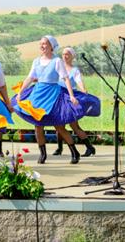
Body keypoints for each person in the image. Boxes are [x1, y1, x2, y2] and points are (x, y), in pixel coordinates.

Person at [12, 35, 83, 164]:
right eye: (41, 43)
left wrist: (72, 95)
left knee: (59, 126)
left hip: (52, 94)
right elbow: (29, 77)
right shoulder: (36, 61)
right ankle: (43, 154)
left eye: (45, 43)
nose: (42, 46)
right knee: (38, 125)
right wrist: (20, 92)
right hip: (38, 94)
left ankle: (74, 151)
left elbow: (65, 78)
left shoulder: (57, 61)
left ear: (51, 46)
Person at [51, 47, 99, 157]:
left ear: (72, 56)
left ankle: (89, 147)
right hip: (58, 97)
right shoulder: (58, 67)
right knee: (59, 123)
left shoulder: (74, 70)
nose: (65, 56)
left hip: (69, 98)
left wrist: (83, 90)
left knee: (74, 126)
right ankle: (60, 148)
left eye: (67, 54)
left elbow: (78, 81)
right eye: (63, 54)